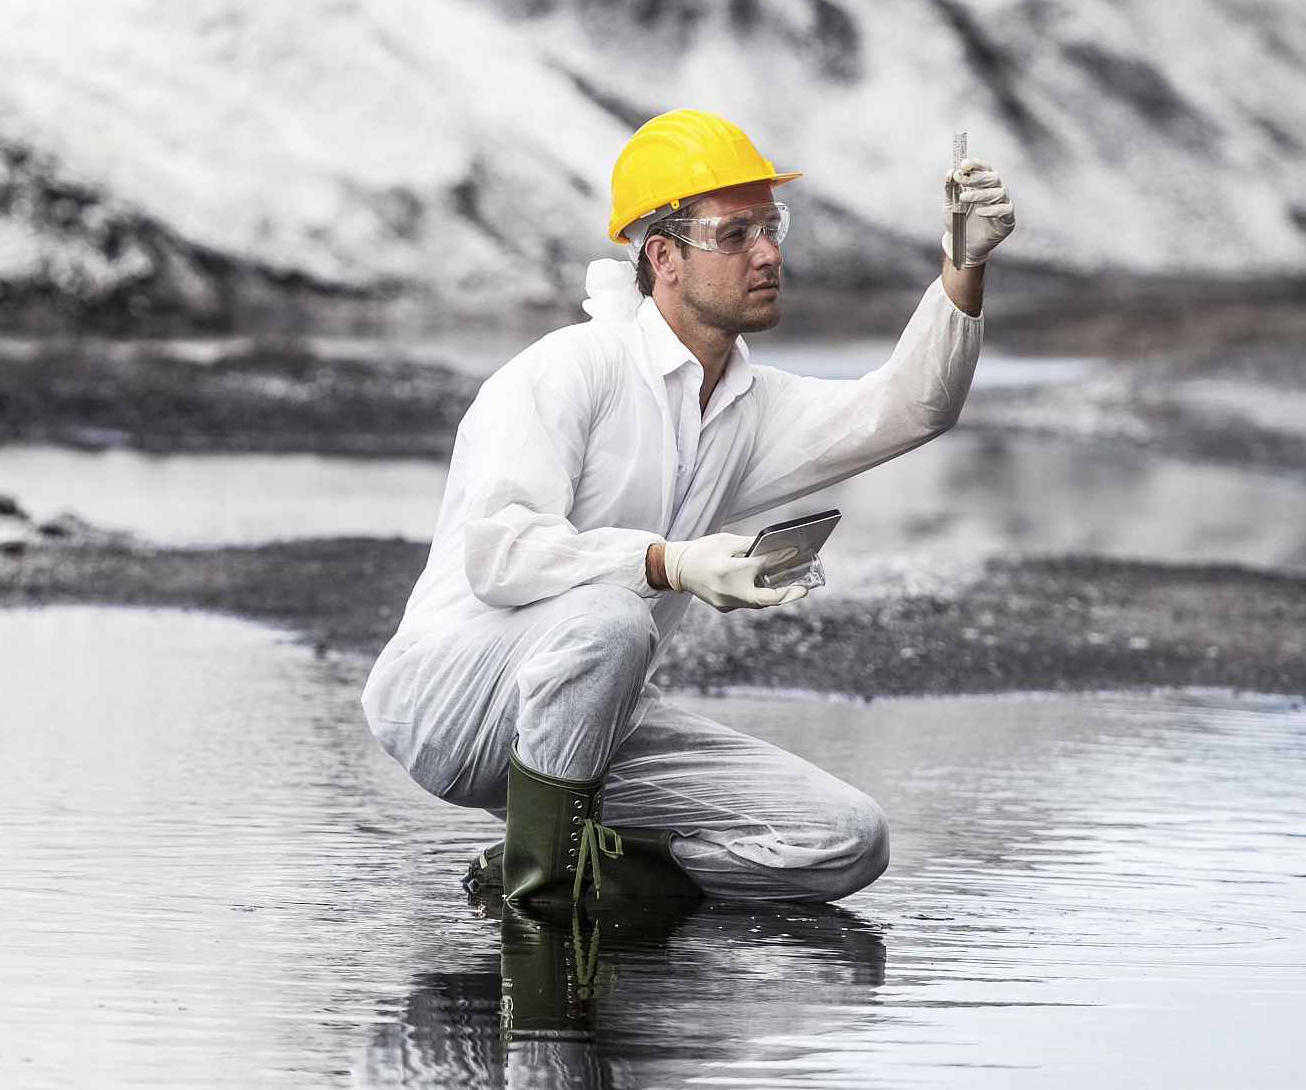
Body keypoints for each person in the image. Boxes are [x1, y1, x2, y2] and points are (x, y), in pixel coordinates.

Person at [360, 108, 1016, 908]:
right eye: (735, 235)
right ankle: (542, 906)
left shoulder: (744, 403)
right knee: (611, 618)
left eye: (771, 227)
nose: (768, 252)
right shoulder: (572, 368)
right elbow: (501, 556)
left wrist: (961, 264)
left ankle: (572, 863)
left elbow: (909, 409)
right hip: (448, 703)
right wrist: (669, 562)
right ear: (663, 256)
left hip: (590, 718)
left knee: (845, 839)